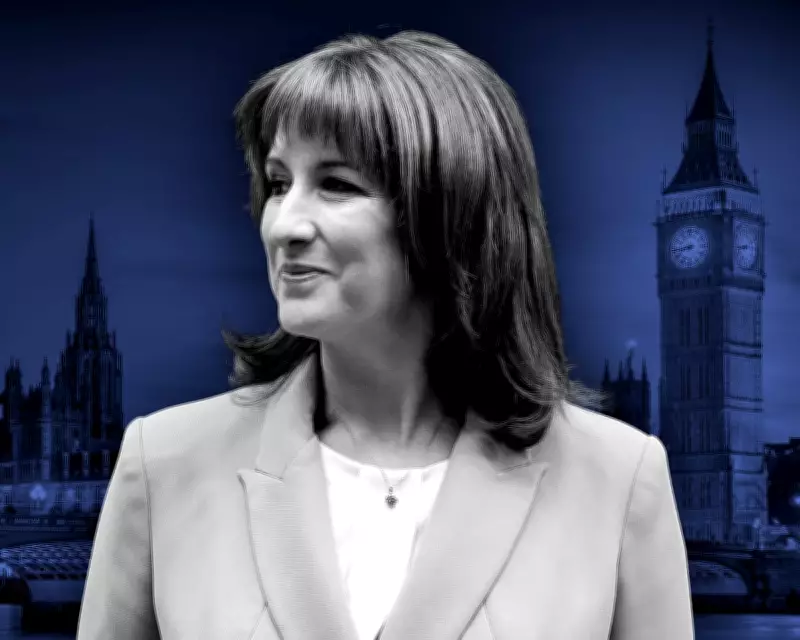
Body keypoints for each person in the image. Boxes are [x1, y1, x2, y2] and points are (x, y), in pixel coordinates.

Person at [76, 30, 693, 640]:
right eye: (279, 184)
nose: (284, 225)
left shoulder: (617, 479)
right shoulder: (166, 464)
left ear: (451, 214)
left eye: (336, 185)